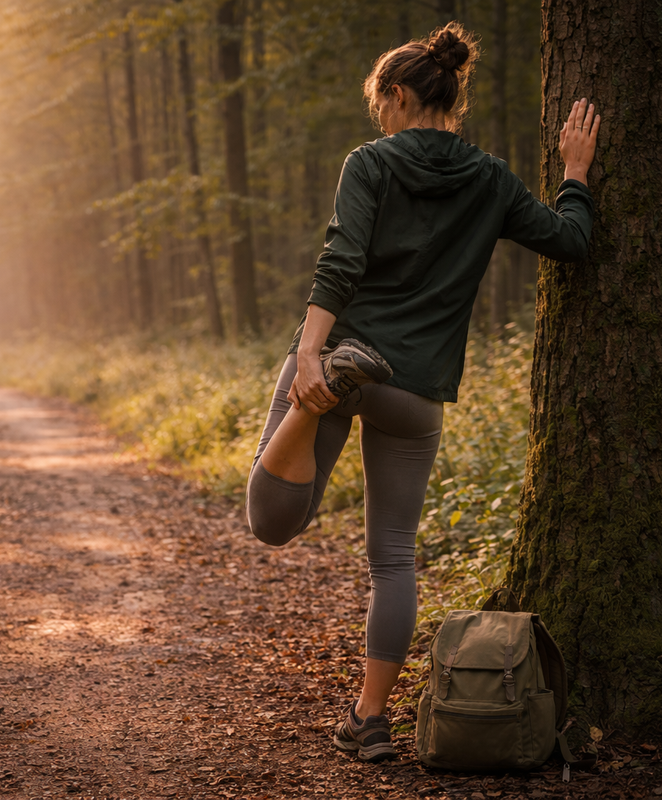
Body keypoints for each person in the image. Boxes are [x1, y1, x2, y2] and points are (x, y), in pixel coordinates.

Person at [244, 22, 600, 763]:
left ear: (400, 94)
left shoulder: (371, 163)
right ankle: (370, 719)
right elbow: (569, 241)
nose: (380, 119)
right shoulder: (494, 180)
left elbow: (341, 259)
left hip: (344, 349)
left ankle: (320, 398)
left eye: (382, 105)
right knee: (393, 556)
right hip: (417, 389)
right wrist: (575, 174)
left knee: (273, 523)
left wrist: (311, 354)